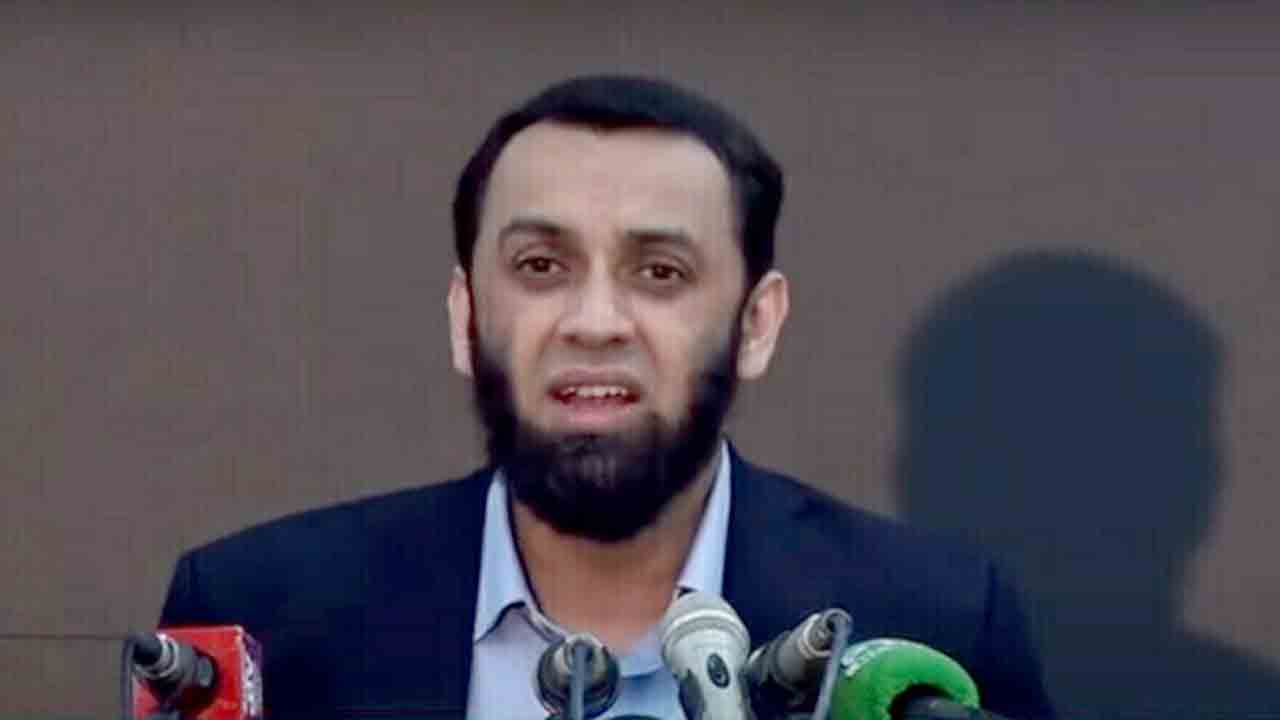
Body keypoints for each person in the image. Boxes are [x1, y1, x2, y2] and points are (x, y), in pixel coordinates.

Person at [157, 75, 1055, 719]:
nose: (594, 322)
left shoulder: (935, 624)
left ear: (755, 324)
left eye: (659, 272)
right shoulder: (266, 617)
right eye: (540, 266)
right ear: (466, 316)